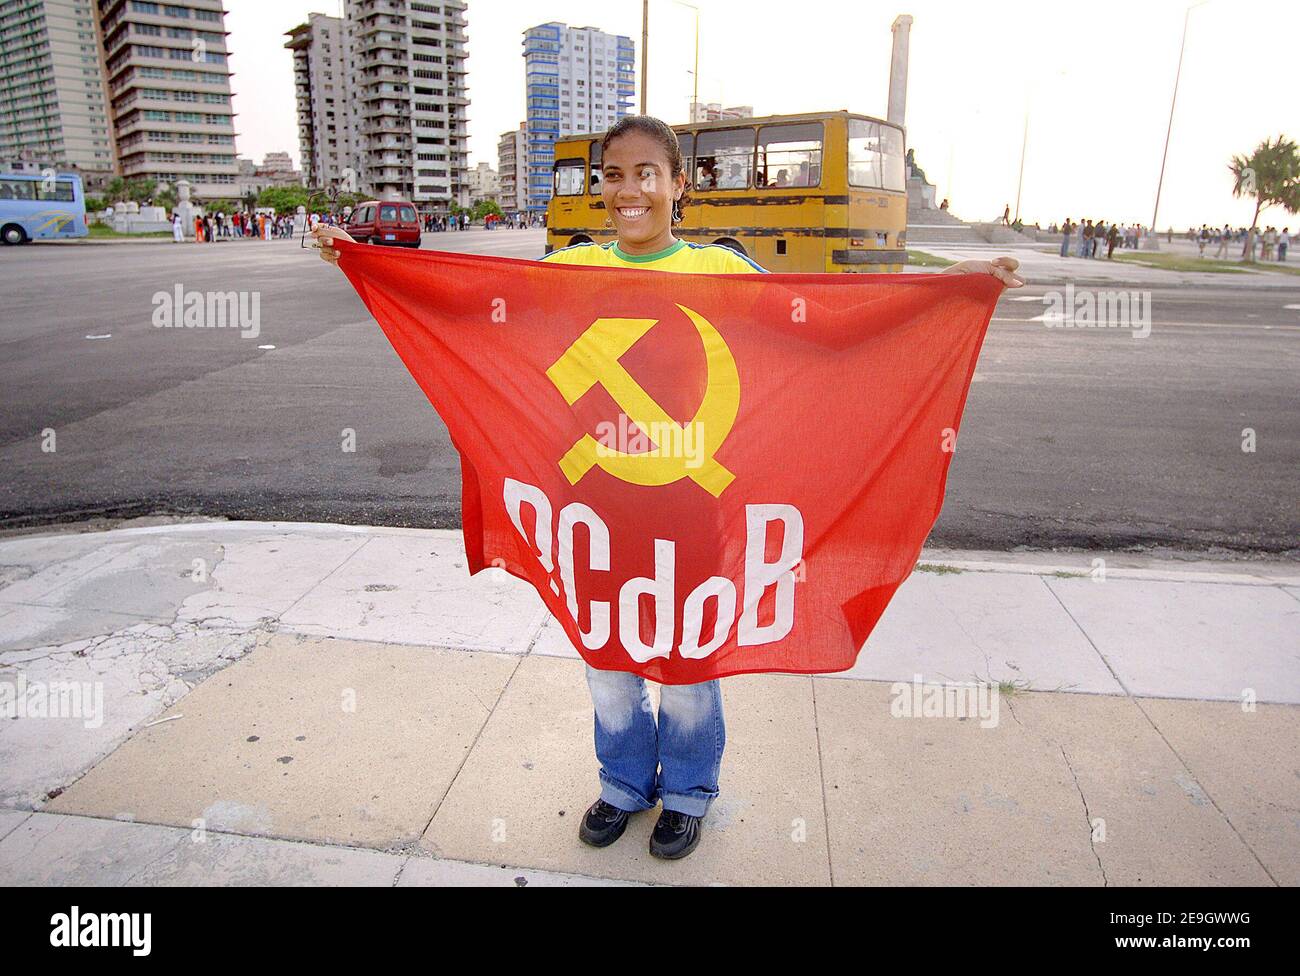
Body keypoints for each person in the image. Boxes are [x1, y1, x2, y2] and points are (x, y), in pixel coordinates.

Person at [310, 114, 1023, 862]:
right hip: (594, 511)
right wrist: (363, 262)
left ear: (679, 186)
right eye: (613, 175)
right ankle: (623, 784)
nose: (629, 190)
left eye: (646, 173)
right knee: (608, 664)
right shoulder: (572, 270)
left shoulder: (720, 272)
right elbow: (461, 304)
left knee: (687, 669)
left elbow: (830, 328)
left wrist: (954, 288)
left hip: (689, 510)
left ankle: (687, 793)